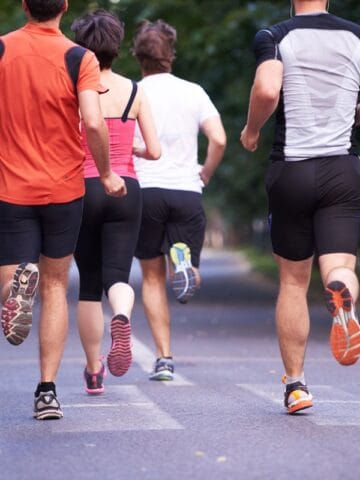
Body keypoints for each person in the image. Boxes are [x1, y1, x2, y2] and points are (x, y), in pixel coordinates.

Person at [0, 0, 125, 420]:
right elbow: (93, 121)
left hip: (10, 186)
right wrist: (106, 172)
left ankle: (15, 288)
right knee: (55, 287)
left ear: (23, 5)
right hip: (63, 189)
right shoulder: (79, 57)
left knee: (15, 276)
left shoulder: (1, 49)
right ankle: (47, 391)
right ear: (64, 6)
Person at [240, 0, 360, 414]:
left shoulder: (275, 35)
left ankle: (296, 386)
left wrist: (252, 128)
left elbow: (268, 88)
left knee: (293, 281)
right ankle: (344, 296)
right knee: (340, 266)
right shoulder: (355, 36)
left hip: (292, 169)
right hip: (343, 169)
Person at [71, 10, 161, 395]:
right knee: (118, 277)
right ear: (117, 46)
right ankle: (121, 315)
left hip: (82, 189)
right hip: (126, 188)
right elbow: (155, 151)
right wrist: (130, 148)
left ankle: (94, 372)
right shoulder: (135, 91)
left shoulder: (72, 90)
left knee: (88, 285)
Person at [132, 20, 227, 380]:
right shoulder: (194, 92)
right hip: (186, 191)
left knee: (153, 279)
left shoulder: (133, 92)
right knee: (185, 270)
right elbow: (218, 139)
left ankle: (164, 358)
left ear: (138, 56)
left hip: (147, 190)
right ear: (171, 54)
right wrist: (205, 173)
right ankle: (183, 263)